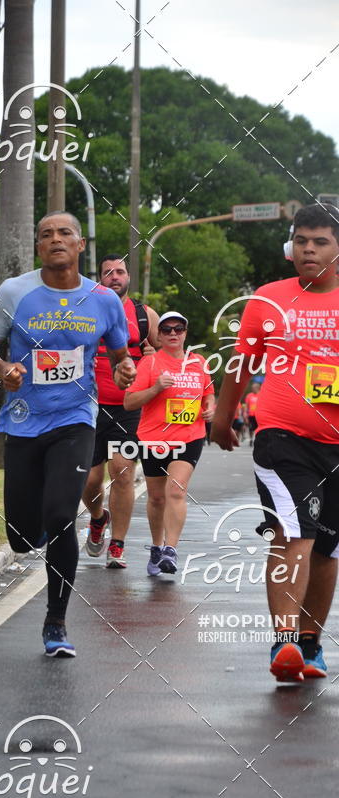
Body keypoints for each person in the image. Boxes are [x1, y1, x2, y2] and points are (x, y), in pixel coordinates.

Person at [0, 211, 135, 658]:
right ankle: (40, 531)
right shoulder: (15, 292)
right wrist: (3, 368)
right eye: (46, 235)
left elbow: (120, 355)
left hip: (76, 419)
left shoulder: (104, 299)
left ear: (81, 245)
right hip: (24, 420)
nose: (56, 240)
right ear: (38, 247)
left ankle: (56, 622)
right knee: (22, 537)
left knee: (61, 516)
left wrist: (125, 371)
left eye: (65, 233)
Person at [211, 202, 339, 682]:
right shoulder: (268, 300)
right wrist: (223, 421)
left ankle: (309, 645)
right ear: (291, 246)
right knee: (293, 532)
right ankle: (284, 642)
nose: (309, 249)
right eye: (302, 240)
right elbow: (241, 367)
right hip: (283, 438)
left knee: (328, 549)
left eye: (321, 240)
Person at [124, 312, 215, 575]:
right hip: (153, 438)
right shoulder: (150, 364)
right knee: (156, 498)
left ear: (186, 333)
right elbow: (129, 402)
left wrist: (210, 409)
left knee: (175, 490)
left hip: (189, 437)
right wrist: (155, 389)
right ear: (159, 335)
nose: (173, 333)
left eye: (179, 328)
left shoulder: (199, 362)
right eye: (166, 330)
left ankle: (171, 550)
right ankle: (156, 547)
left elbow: (209, 395)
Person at [82, 255, 159, 568]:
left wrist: (155, 356)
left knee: (123, 473)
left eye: (120, 272)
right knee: (89, 479)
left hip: (128, 408)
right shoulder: (85, 310)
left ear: (129, 277)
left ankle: (118, 544)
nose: (115, 276)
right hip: (88, 406)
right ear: (99, 278)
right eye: (107, 272)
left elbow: (170, 355)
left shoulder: (144, 315)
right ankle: (99, 518)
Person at [243, 381, 261, 446]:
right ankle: (251, 439)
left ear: (258, 388)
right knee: (251, 428)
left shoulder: (261, 395)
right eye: (252, 388)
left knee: (258, 428)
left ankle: (257, 439)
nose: (252, 389)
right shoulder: (249, 396)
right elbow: (246, 405)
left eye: (254, 388)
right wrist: (245, 413)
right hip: (251, 415)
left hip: (259, 415)